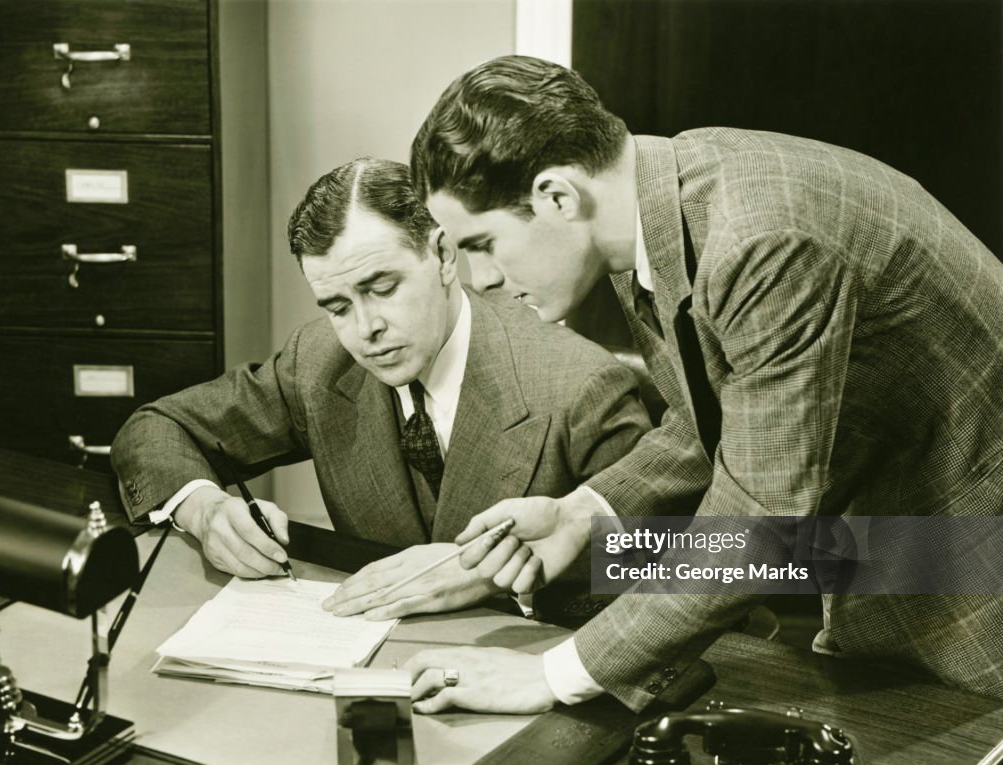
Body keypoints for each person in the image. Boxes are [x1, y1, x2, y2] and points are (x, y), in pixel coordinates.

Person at [403, 55, 1003, 714]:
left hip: (972, 572)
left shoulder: (758, 239)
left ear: (556, 196)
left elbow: (760, 521)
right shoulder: (669, 203)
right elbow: (720, 417)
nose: (480, 278)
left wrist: (548, 675)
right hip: (900, 548)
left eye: (482, 242)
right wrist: (583, 513)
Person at [111, 157, 650, 620]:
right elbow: (158, 428)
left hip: (524, 674)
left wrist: (503, 576)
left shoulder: (581, 386)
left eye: (383, 288)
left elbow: (676, 565)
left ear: (441, 256)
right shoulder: (317, 361)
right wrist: (204, 509)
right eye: (338, 306)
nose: (365, 330)